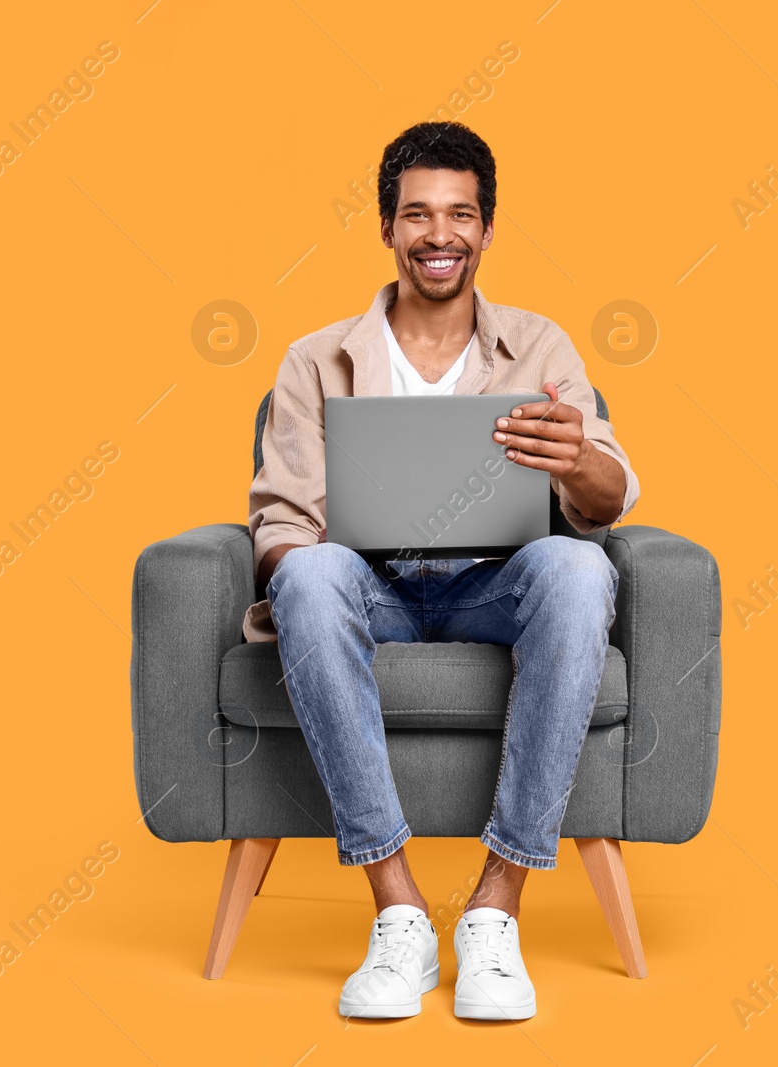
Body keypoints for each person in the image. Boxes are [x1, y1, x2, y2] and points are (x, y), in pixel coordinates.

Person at [243, 121, 641, 1020]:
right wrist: (316, 571)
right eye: (417, 214)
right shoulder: (315, 360)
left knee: (578, 572)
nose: (439, 234)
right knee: (304, 577)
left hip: (491, 587)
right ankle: (401, 913)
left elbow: (610, 497)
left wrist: (578, 458)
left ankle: (496, 911)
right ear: (387, 226)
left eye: (460, 214)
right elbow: (279, 520)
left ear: (488, 229)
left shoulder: (542, 350)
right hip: (370, 593)